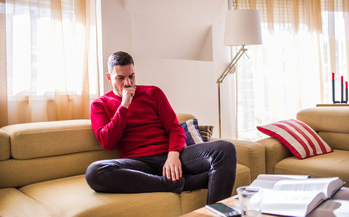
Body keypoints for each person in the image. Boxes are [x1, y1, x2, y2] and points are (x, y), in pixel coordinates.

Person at [85, 51, 237, 204]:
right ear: (109, 77)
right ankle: (177, 183)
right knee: (95, 172)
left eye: (131, 76)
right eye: (120, 78)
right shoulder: (100, 104)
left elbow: (174, 128)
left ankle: (217, 213)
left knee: (226, 149)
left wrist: (173, 155)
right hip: (139, 164)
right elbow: (107, 141)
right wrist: (124, 105)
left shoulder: (152, 92)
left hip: (170, 156)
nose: (128, 83)